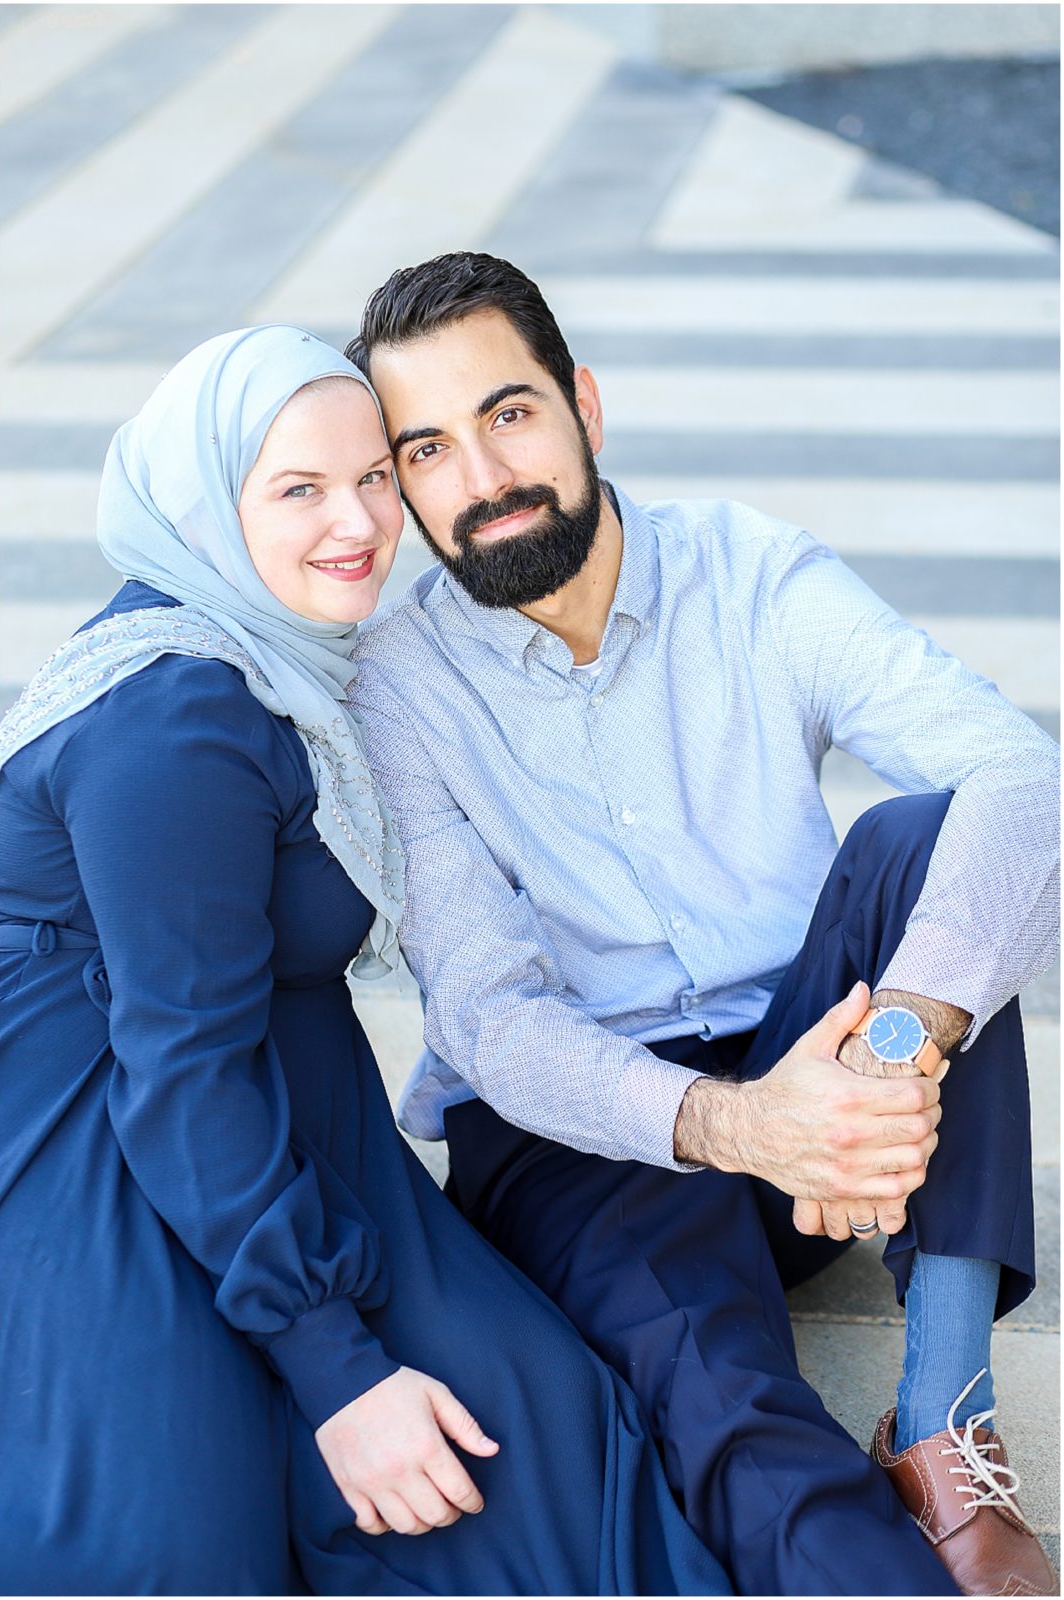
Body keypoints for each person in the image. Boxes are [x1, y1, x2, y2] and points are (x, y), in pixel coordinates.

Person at [346, 252, 1059, 1598]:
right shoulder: (398, 686)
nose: (481, 477)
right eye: (426, 448)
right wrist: (743, 1124)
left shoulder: (746, 569)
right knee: (725, 1417)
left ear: (585, 408)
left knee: (934, 839)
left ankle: (942, 1419)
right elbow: (491, 1023)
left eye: (508, 415)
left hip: (823, 1073)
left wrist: (895, 1054)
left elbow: (1027, 783)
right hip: (585, 1138)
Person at [0, 324, 733, 1598]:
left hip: (265, 1096)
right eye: (297, 489)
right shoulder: (175, 720)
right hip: (104, 1132)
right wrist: (338, 1368)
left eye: (377, 477)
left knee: (538, 1442)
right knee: (178, 1551)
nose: (359, 522)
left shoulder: (271, 657)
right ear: (204, 501)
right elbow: (178, 1067)